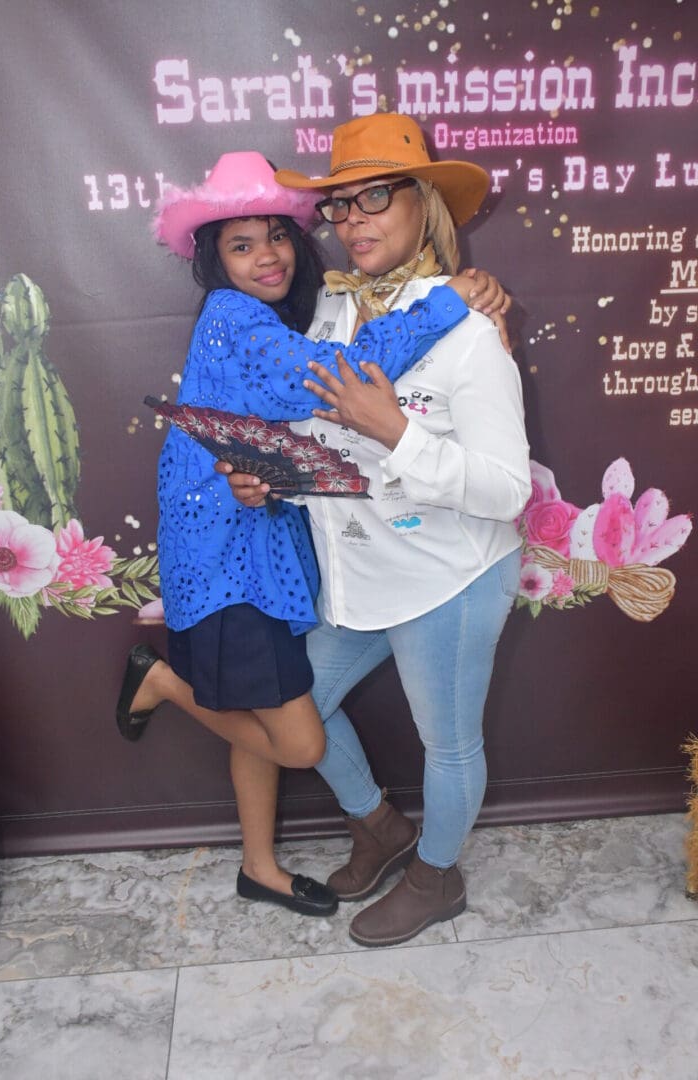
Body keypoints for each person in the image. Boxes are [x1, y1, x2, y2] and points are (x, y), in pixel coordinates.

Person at [116, 149, 507, 919]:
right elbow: (336, 381)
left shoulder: (304, 313)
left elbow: (300, 427)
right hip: (240, 557)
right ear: (211, 260)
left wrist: (261, 475)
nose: (267, 255)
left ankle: (414, 870)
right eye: (241, 243)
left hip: (375, 560)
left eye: (276, 237)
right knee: (296, 730)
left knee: (415, 735)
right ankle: (165, 686)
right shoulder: (258, 317)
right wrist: (444, 306)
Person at [221, 112, 532, 946]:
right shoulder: (323, 310)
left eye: (375, 197)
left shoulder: (468, 329)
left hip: (450, 576)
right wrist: (272, 483)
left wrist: (398, 430)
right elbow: (322, 448)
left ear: (423, 201)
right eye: (340, 206)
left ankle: (438, 875)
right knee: (304, 709)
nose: (353, 219)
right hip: (358, 575)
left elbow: (505, 491)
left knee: (448, 743)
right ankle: (380, 828)